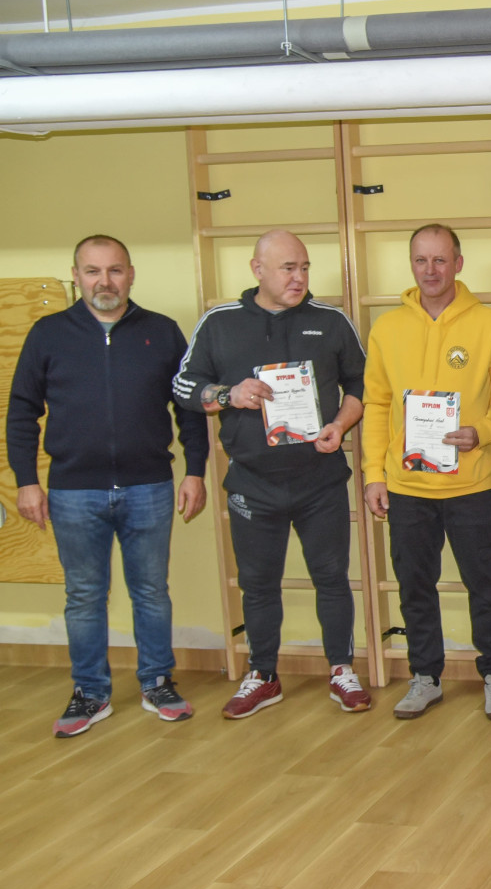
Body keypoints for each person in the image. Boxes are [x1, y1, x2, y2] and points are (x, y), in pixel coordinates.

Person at [8, 235, 210, 737]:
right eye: (93, 271)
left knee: (152, 592)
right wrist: (27, 482)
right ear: (76, 276)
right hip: (73, 492)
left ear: (131, 275)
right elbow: (21, 412)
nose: (105, 281)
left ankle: (157, 682)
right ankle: (90, 692)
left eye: (115, 270)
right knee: (83, 596)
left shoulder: (161, 331)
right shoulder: (48, 334)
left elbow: (189, 408)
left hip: (149, 487)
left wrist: (195, 470)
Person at [173, 229, 368, 718]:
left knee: (331, 578)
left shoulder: (331, 321)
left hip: (319, 478)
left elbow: (362, 384)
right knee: (258, 583)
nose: (299, 277)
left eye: (304, 267)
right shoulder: (220, 323)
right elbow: (183, 386)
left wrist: (340, 425)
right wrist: (228, 395)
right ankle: (263, 674)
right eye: (287, 268)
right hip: (252, 482)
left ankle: (341, 669)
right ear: (257, 270)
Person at [362, 224, 491, 721]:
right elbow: (376, 404)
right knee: (414, 586)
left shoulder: (490, 325)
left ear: (458, 264)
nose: (430, 270)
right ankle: (424, 677)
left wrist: (483, 432)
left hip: (471, 483)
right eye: (421, 260)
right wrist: (373, 473)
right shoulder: (386, 329)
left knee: (484, 583)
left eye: (440, 260)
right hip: (406, 486)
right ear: (411, 264)